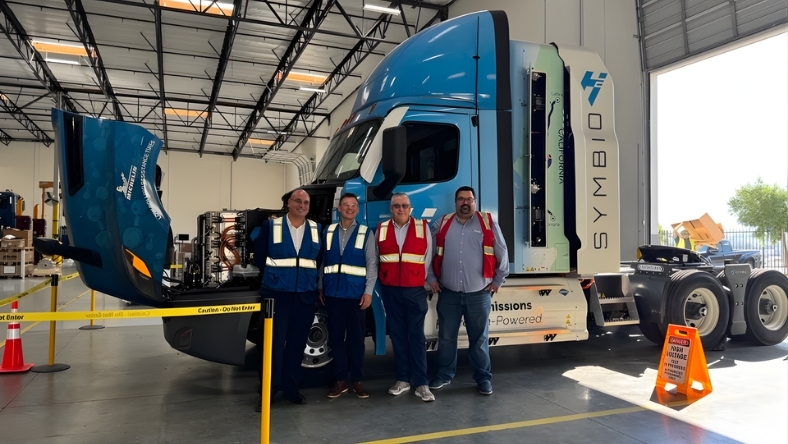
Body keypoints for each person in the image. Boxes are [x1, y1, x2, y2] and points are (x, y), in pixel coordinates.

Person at [427, 186, 509, 395]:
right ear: (455, 202)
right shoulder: (442, 223)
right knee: (446, 338)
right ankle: (444, 375)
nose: (465, 202)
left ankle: (483, 379)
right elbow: (427, 250)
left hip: (479, 294)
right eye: (461, 199)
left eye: (469, 199)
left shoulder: (487, 223)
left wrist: (498, 280)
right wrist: (431, 277)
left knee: (479, 339)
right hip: (449, 293)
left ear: (475, 202)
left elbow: (502, 252)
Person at [253, 189, 322, 407]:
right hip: (276, 297)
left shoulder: (316, 229)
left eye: (306, 203)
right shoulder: (270, 227)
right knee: (271, 346)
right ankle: (268, 392)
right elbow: (260, 257)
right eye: (298, 201)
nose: (302, 205)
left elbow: (318, 260)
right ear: (289, 203)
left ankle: (291, 389)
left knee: (296, 346)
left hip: (304, 297)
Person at [375, 193, 435, 402]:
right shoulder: (381, 229)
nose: (401, 209)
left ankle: (421, 383)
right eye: (397, 206)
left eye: (405, 206)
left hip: (414, 290)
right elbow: (377, 258)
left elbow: (428, 256)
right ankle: (403, 380)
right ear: (391, 209)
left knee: (416, 337)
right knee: (398, 336)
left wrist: (419, 279)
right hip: (391, 290)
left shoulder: (423, 227)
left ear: (411, 208)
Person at [319, 193, 377, 399]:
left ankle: (357, 380)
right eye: (346, 205)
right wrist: (320, 286)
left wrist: (368, 292)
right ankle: (341, 380)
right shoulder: (329, 231)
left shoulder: (365, 232)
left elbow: (372, 264)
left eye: (353, 205)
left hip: (356, 295)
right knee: (335, 339)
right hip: (333, 294)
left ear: (358, 209)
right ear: (339, 208)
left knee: (356, 340)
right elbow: (324, 261)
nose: (349, 208)